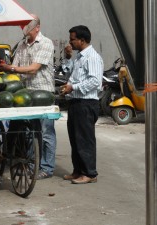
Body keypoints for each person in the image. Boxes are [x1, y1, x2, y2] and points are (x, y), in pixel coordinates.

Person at [0, 15, 56, 180]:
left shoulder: (46, 43)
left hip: (43, 91)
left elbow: (33, 69)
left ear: (37, 27)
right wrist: (6, 68)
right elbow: (15, 67)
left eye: (27, 26)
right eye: (23, 26)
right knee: (29, 132)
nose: (25, 29)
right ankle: (31, 164)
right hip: (25, 92)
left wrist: (12, 68)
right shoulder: (22, 45)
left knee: (45, 132)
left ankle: (46, 168)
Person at [61, 25, 103, 184]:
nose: (70, 42)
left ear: (82, 40)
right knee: (75, 138)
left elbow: (94, 81)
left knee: (85, 139)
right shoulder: (79, 57)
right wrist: (67, 57)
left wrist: (74, 87)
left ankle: (89, 173)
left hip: (86, 103)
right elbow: (69, 73)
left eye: (72, 39)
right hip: (75, 102)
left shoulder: (92, 57)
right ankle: (78, 170)